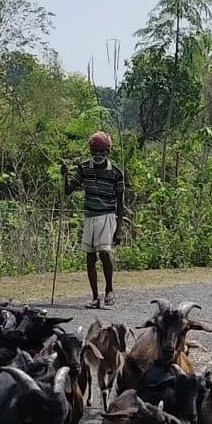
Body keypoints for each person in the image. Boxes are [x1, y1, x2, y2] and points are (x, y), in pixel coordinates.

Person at [65, 132, 127, 309]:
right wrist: (64, 176)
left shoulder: (116, 172)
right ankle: (94, 297)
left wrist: (119, 228)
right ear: (91, 151)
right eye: (95, 151)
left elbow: (120, 202)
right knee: (90, 257)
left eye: (101, 151)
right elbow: (68, 190)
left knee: (104, 253)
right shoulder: (83, 168)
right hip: (90, 216)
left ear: (107, 152)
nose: (98, 155)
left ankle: (109, 289)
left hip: (107, 216)